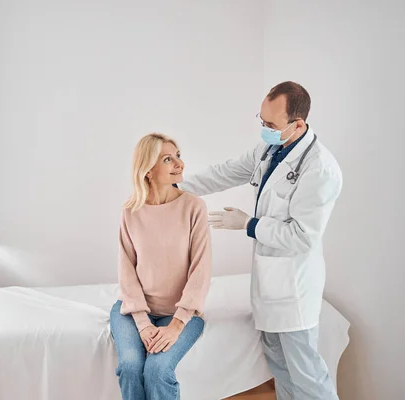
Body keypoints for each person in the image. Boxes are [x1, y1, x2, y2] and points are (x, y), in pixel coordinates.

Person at [179, 81, 342, 399]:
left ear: (297, 124)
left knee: (307, 376)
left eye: (271, 124)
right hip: (269, 285)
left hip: (293, 290)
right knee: (281, 369)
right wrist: (178, 189)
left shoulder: (320, 169)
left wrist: (249, 224)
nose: (264, 129)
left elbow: (301, 236)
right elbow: (227, 171)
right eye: (261, 120)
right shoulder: (271, 149)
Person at [110, 133, 212, 400]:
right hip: (132, 312)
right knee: (130, 367)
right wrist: (143, 324)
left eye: (178, 156)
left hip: (180, 314)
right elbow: (127, 272)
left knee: (157, 371)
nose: (179, 164)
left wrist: (177, 324)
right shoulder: (130, 211)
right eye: (168, 159)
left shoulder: (194, 207)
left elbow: (200, 270)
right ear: (148, 170)